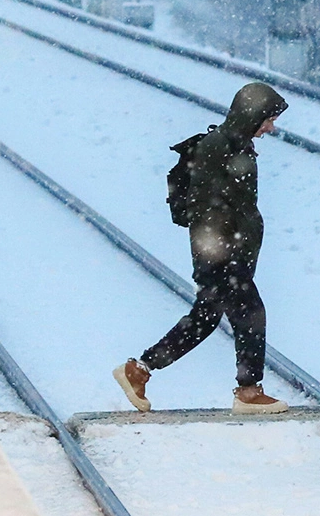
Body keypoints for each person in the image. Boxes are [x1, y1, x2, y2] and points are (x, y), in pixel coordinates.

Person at [114, 82, 290, 414]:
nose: (271, 127)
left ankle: (139, 369)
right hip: (221, 253)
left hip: (223, 252)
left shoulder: (232, 145)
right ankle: (248, 393)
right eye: (268, 119)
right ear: (251, 115)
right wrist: (226, 257)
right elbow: (211, 209)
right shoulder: (221, 148)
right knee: (250, 314)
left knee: (205, 319)